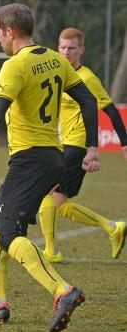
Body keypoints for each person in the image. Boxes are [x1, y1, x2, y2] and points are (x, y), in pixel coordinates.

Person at [0, 4, 100, 332]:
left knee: (10, 234)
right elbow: (89, 100)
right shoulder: (55, 59)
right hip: (52, 158)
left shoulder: (15, 65)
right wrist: (92, 145)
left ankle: (63, 291)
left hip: (31, 161)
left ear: (11, 32)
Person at [38, 27, 127, 263]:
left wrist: (124, 144)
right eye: (62, 47)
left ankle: (51, 251)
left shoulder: (87, 78)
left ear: (82, 50)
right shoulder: (59, 74)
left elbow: (111, 111)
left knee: (46, 191)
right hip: (59, 142)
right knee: (59, 203)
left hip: (77, 145)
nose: (66, 52)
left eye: (71, 48)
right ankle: (112, 228)